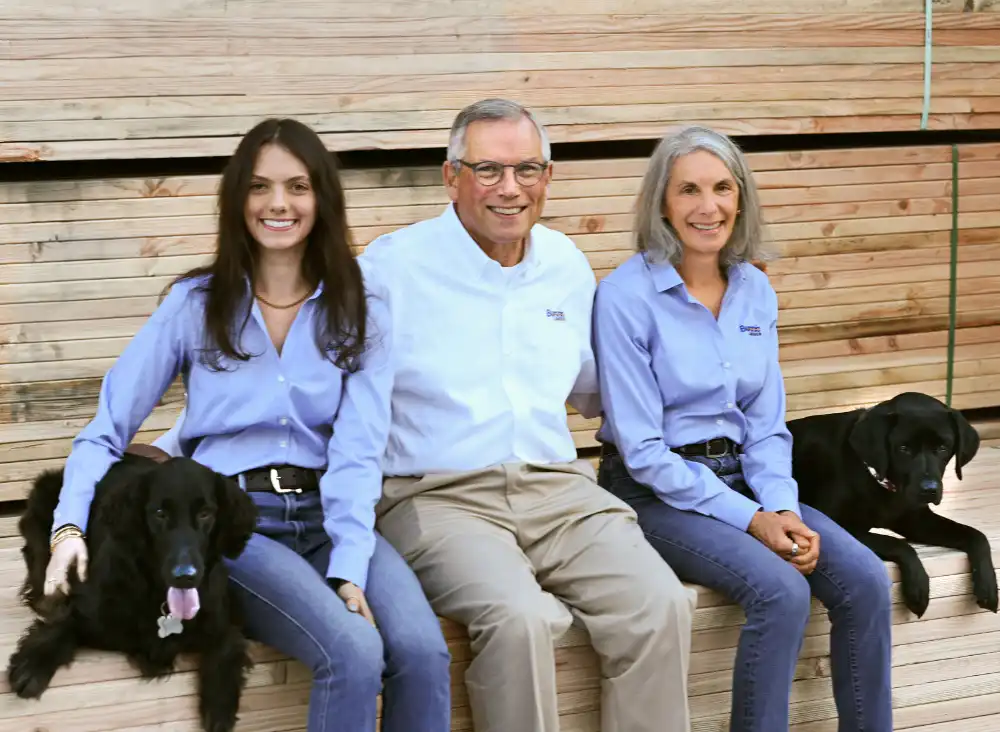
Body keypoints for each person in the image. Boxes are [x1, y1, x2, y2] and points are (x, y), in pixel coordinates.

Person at [43, 118, 452, 732]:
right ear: (237, 199)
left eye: (298, 186)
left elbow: (359, 451)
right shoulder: (194, 305)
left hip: (326, 513)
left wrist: (348, 564)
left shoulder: (363, 310)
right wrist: (67, 527)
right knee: (354, 650)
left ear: (323, 199)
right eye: (259, 187)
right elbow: (105, 429)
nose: (278, 203)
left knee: (423, 653)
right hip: (235, 525)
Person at [356, 98, 695, 732]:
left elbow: (598, 393)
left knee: (661, 604)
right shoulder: (389, 270)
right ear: (450, 176)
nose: (510, 189)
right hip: (437, 496)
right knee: (522, 619)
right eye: (488, 170)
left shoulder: (564, 264)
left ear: (548, 177)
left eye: (528, 170)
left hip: (558, 491)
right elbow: (317, 387)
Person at [592, 124, 894, 732]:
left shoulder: (755, 289)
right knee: (780, 592)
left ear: (741, 197)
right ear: (661, 203)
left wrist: (782, 507)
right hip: (652, 490)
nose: (709, 206)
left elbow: (764, 424)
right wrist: (752, 520)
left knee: (865, 581)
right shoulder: (624, 297)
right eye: (689, 191)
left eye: (723, 188)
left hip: (745, 481)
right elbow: (645, 451)